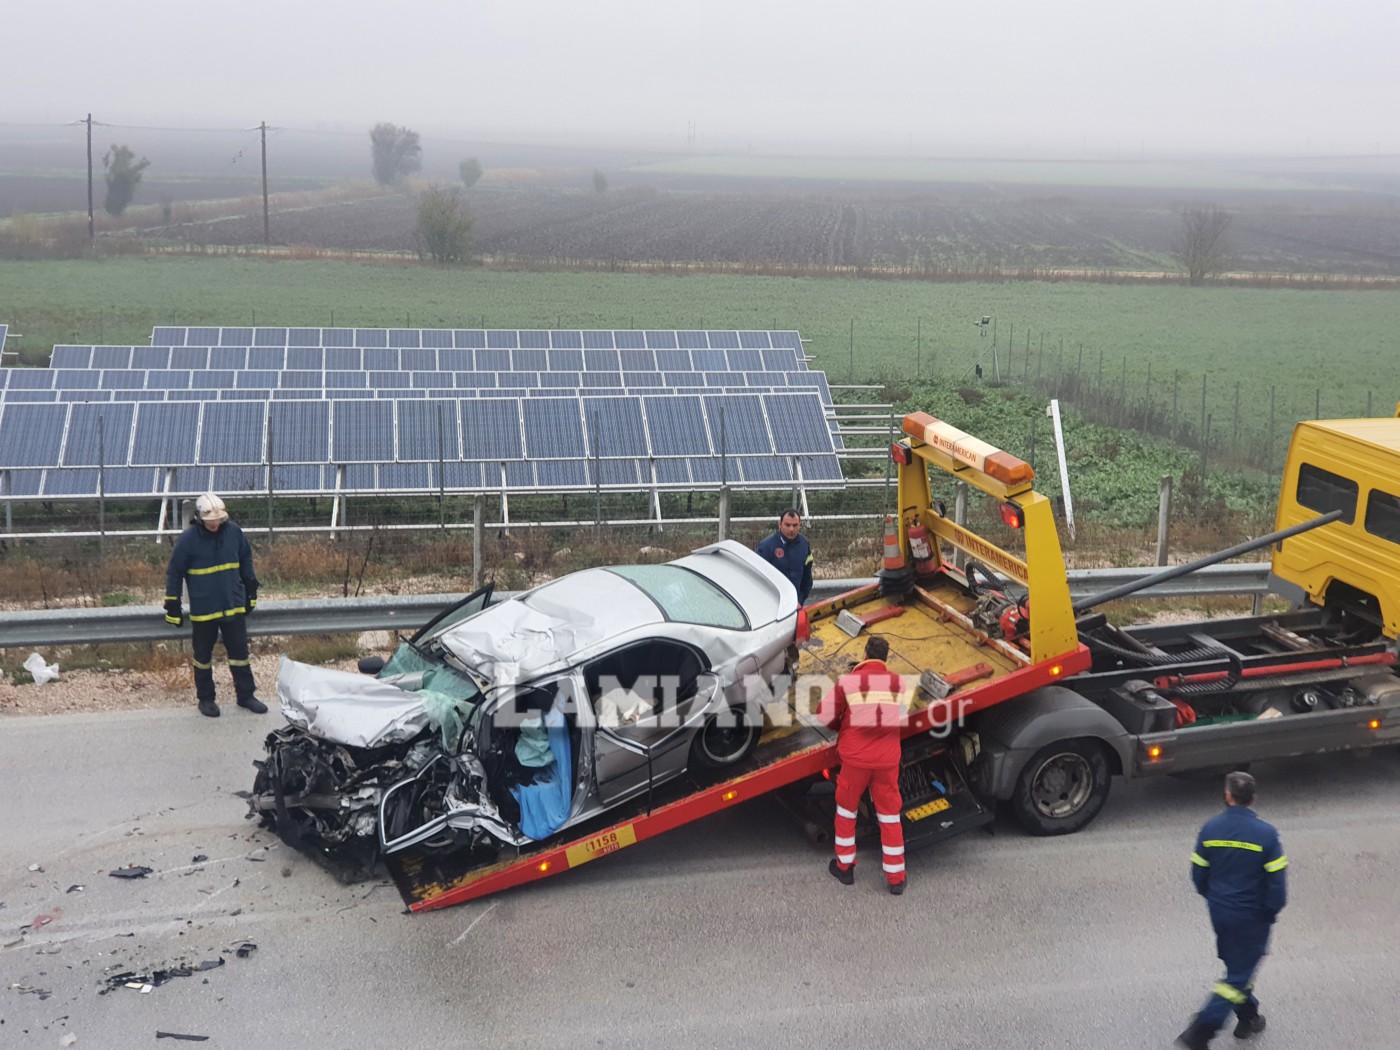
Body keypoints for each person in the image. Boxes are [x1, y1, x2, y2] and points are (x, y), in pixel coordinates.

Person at [1176, 771, 1288, 1049]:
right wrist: (1270, 912)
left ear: (1228, 796)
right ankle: (1201, 1031)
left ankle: (1249, 1016)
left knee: (1238, 965)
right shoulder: (1267, 834)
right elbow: (1277, 885)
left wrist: (1215, 899)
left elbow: (1198, 874)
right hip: (1252, 917)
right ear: (1253, 798)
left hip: (1220, 912)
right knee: (1238, 975)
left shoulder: (1210, 829)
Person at [816, 635, 909, 894]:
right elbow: (900, 716)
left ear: (865, 654)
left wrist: (842, 726)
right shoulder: (898, 684)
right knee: (890, 817)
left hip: (856, 760)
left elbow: (824, 714)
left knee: (847, 812)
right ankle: (896, 879)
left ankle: (845, 868)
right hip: (887, 762)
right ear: (885, 658)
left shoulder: (849, 682)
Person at [164, 492, 266, 718]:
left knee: (240, 654)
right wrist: (172, 603)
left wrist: (251, 590)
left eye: (218, 520)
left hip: (233, 605)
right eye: (211, 521)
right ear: (200, 518)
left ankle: (246, 695)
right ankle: (206, 699)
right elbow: (174, 572)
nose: (215, 524)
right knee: (202, 657)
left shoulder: (234, 533)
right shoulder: (188, 540)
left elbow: (246, 562)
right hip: (204, 610)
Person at [755, 510, 813, 604]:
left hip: (795, 603)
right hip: (773, 603)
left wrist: (801, 599)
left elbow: (807, 575)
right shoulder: (766, 546)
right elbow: (757, 578)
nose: (791, 529)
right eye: (788, 525)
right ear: (780, 524)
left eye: (795, 525)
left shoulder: (804, 544)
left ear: (799, 525)